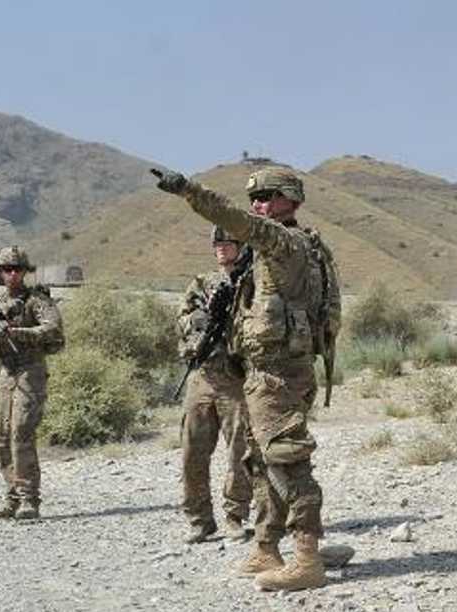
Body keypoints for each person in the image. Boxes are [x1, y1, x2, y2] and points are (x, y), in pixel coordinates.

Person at [153, 167, 339, 592]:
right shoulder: (297, 246)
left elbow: (236, 220)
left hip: (278, 373)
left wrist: (188, 191)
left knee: (288, 460)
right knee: (259, 460)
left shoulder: (283, 240)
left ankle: (307, 558)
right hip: (262, 371)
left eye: (268, 195)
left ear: (290, 199)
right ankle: (266, 547)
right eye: (255, 197)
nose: (258, 203)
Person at [0, 246, 64, 520]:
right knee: (4, 435)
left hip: (30, 370)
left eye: (17, 269)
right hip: (7, 372)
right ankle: (12, 497)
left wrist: (17, 332)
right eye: (7, 269)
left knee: (21, 432)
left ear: (25, 271)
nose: (12, 274)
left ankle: (29, 499)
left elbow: (52, 328)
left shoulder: (36, 300)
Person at [177, 226, 253, 544]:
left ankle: (235, 516)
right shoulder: (201, 284)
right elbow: (182, 320)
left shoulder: (251, 283)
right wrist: (201, 323)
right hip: (203, 376)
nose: (221, 247)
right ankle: (199, 520)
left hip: (236, 379)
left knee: (240, 452)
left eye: (228, 242)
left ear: (240, 246)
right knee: (192, 452)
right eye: (217, 243)